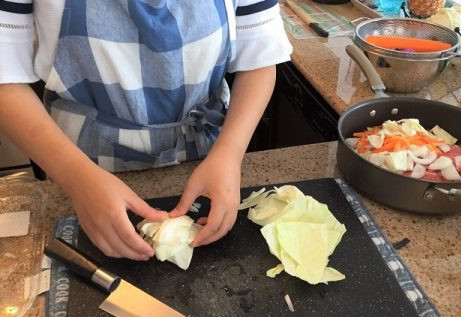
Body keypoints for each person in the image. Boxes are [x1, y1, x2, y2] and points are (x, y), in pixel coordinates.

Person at [0, 0, 292, 260]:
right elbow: (5, 79)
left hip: (207, 161)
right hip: (81, 165)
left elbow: (260, 59)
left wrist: (229, 154)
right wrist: (77, 178)